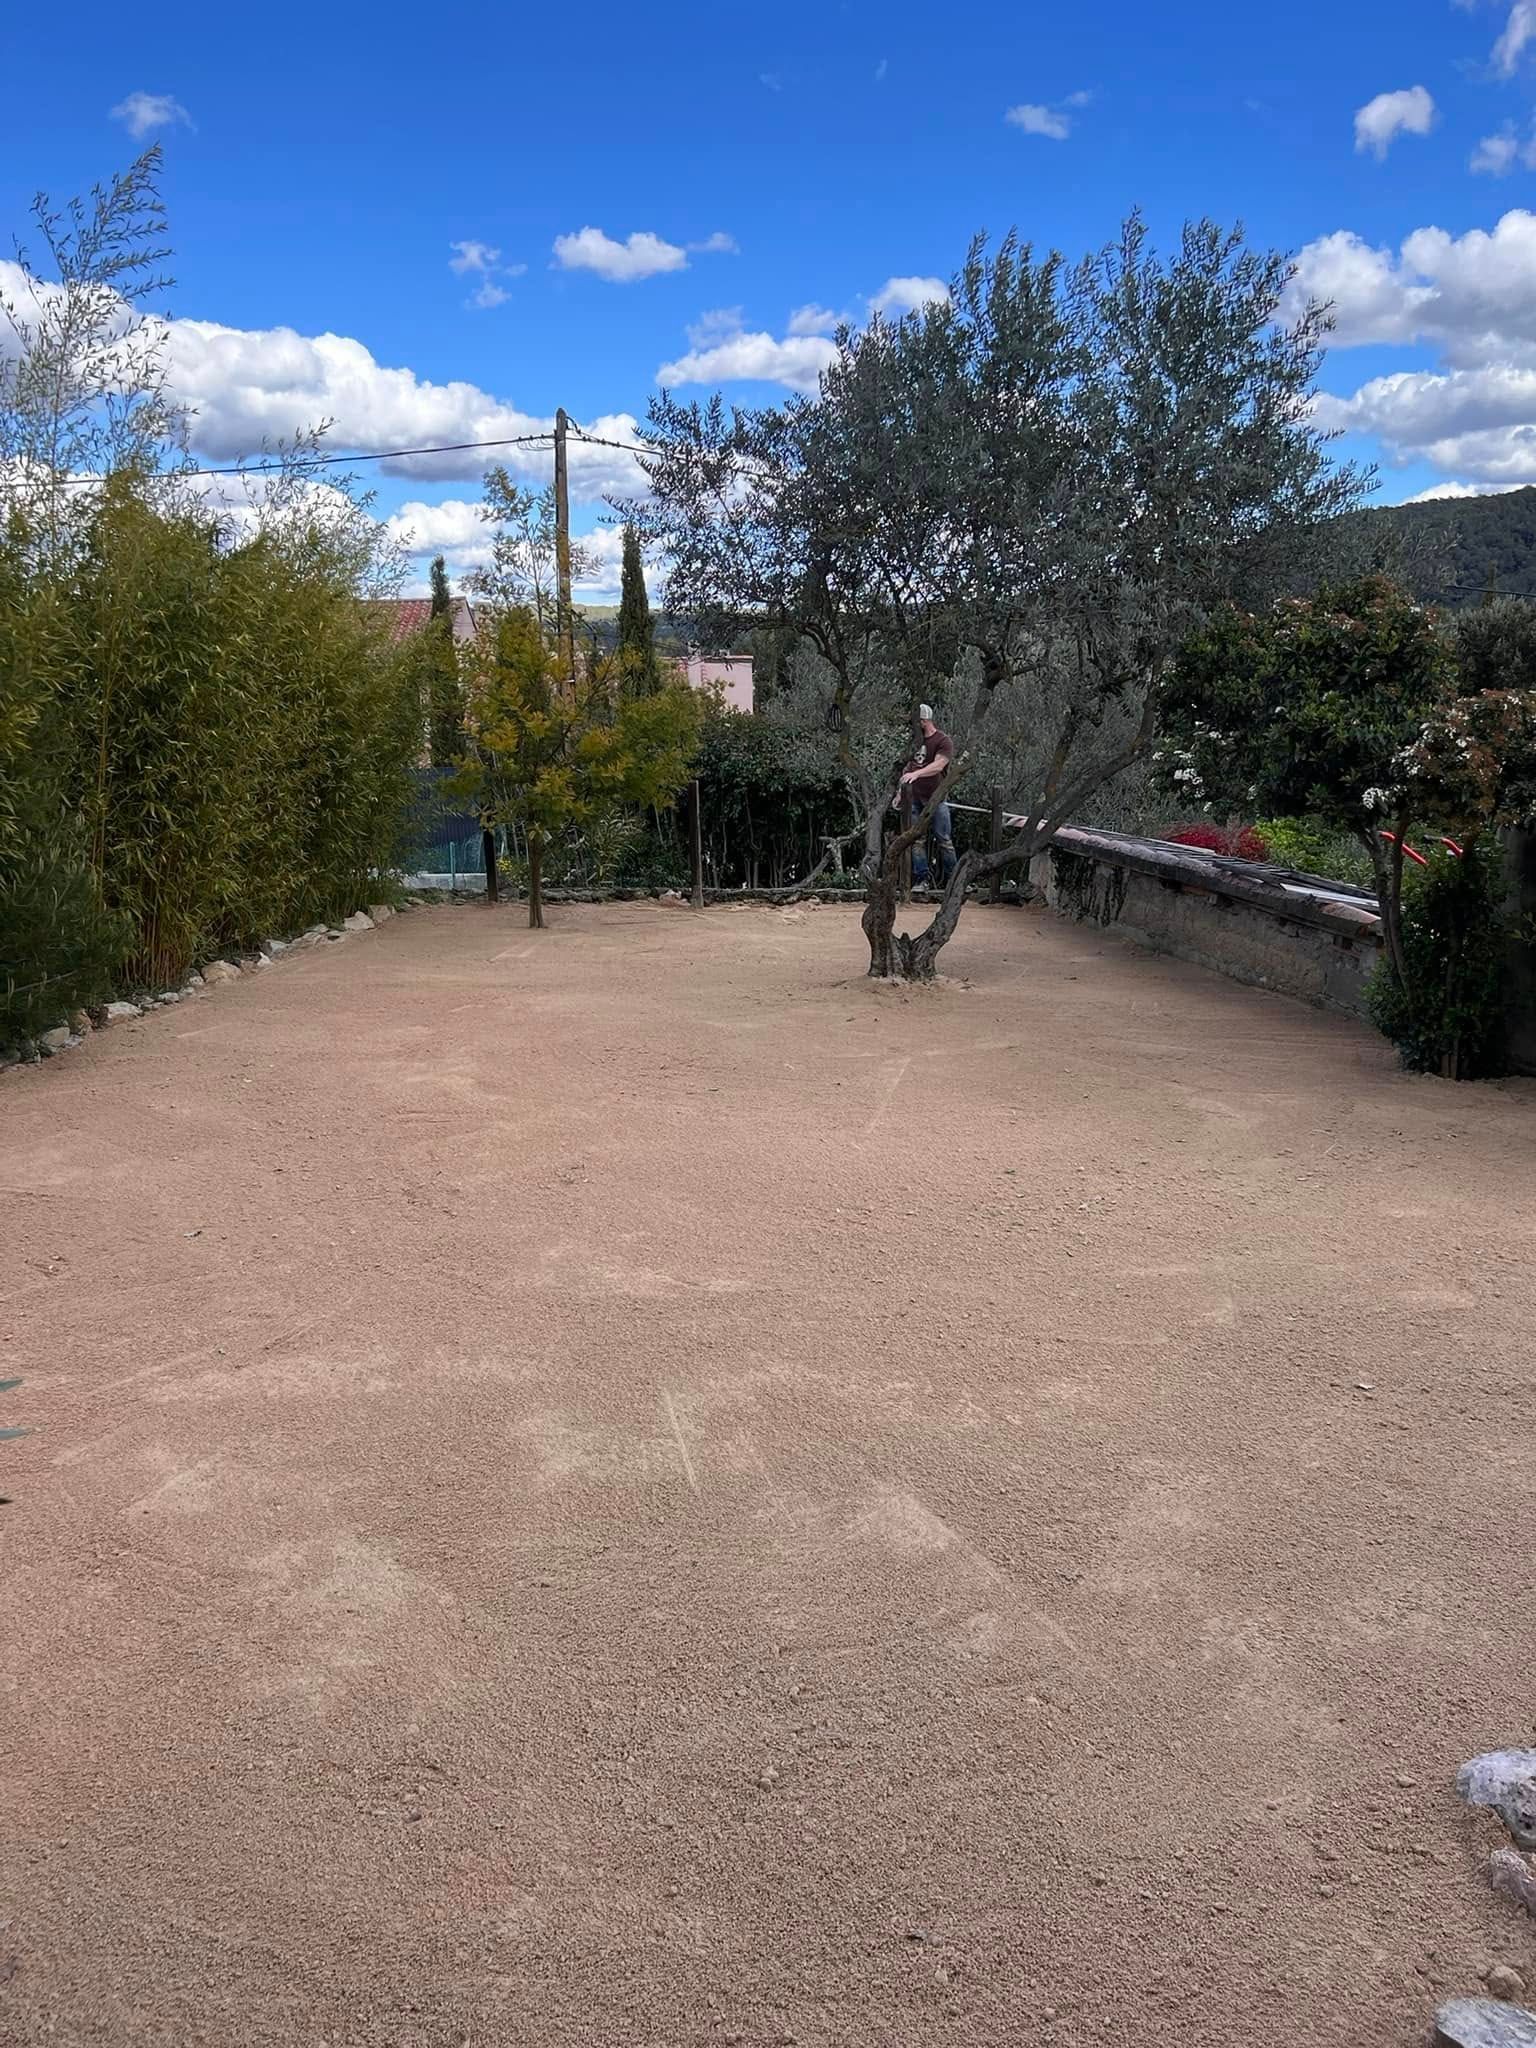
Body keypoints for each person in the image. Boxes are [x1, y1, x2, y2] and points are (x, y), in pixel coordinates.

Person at [898, 704, 956, 886]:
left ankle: (954, 880)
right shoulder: (914, 741)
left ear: (924, 721)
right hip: (914, 798)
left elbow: (939, 765)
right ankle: (921, 879)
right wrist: (900, 793)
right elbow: (907, 767)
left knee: (944, 839)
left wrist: (917, 774)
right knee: (916, 840)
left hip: (936, 798)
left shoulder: (942, 741)